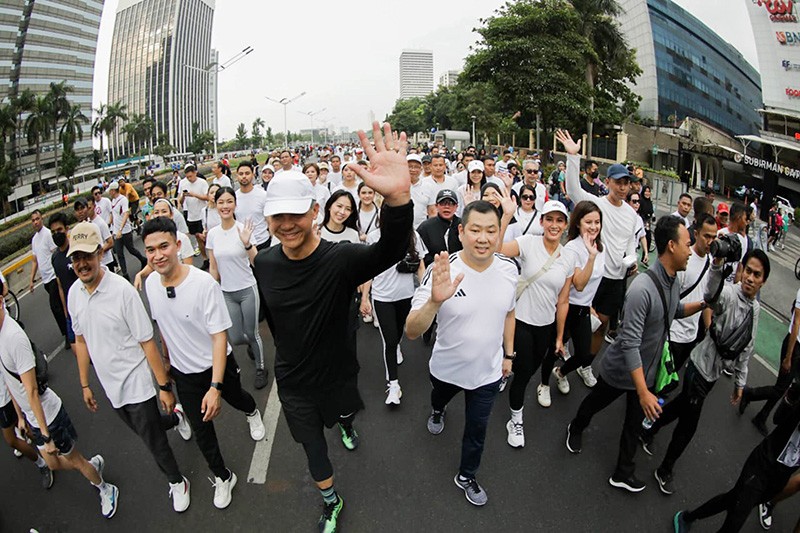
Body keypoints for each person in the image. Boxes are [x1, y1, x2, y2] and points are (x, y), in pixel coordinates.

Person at [253, 122, 412, 531]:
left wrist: (398, 198)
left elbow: (391, 248)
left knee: (344, 415)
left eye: (295, 214)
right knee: (311, 447)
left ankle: (345, 422)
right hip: (293, 382)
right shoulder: (265, 264)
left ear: (314, 212)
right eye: (276, 216)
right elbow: (271, 315)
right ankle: (331, 500)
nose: (286, 224)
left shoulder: (340, 258)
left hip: (338, 372)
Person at [566, 216, 704, 493]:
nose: (691, 250)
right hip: (622, 370)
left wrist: (704, 304)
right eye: (688, 244)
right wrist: (643, 392)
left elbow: (674, 311)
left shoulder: (674, 281)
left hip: (646, 371)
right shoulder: (642, 289)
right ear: (671, 246)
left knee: (632, 424)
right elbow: (628, 344)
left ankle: (622, 472)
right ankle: (575, 427)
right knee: (594, 403)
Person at [66, 222, 192, 513]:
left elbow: (147, 341)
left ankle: (177, 481)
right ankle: (176, 418)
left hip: (136, 381)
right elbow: (81, 340)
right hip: (110, 385)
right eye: (76, 258)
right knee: (144, 428)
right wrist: (85, 383)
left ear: (100, 253)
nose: (82, 264)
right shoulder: (74, 293)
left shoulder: (121, 291)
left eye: (87, 255)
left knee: (152, 440)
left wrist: (163, 387)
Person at [142, 217, 265, 510]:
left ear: (178, 245)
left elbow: (219, 337)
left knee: (237, 399)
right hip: (184, 376)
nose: (157, 255)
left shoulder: (203, 284)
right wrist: (168, 363)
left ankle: (253, 412)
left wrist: (215, 386)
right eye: (150, 250)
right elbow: (163, 327)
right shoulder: (150, 284)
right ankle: (223, 476)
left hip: (216, 367)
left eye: (163, 246)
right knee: (201, 430)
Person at [406, 200, 517, 506]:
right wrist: (434, 302)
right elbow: (412, 331)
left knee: (477, 430)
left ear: (499, 234)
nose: (483, 238)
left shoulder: (509, 270)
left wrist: (509, 355)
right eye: (476, 230)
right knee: (439, 398)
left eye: (491, 231)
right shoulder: (442, 272)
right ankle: (438, 409)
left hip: (488, 374)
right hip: (447, 369)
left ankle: (467, 475)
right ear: (462, 231)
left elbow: (509, 313)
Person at [641, 249, 765, 495]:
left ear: (763, 280)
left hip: (713, 374)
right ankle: (665, 469)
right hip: (698, 367)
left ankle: (648, 429)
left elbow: (747, 346)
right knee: (689, 424)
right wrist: (718, 266)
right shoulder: (729, 293)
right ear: (741, 271)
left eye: (757, 274)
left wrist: (740, 383)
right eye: (748, 271)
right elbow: (711, 296)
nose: (750, 278)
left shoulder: (756, 309)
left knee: (680, 406)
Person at [0, 301, 119, 518]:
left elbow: (32, 390)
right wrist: (20, 416)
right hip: (33, 417)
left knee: (75, 460)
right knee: (52, 464)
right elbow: (10, 380)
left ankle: (105, 488)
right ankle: (92, 465)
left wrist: (46, 436)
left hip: (49, 417)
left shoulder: (13, 338)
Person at [673, 375, 800, 533]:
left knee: (733, 499)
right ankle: (687, 517)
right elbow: (778, 418)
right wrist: (792, 397)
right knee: (735, 522)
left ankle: (687, 517)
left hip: (780, 477)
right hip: (763, 465)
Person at [496, 200, 571, 446]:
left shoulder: (567, 258)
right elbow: (496, 249)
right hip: (520, 321)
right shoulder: (528, 242)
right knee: (525, 374)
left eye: (559, 220)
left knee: (527, 368)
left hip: (546, 327)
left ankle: (506, 366)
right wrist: (506, 215)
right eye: (549, 219)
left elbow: (563, 301)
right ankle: (515, 420)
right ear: (541, 222)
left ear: (565, 226)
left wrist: (559, 337)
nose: (554, 224)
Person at [558, 130, 640, 356]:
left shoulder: (632, 214)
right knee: (577, 319)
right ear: (607, 182)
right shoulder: (596, 204)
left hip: (616, 278)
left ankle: (585, 363)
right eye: (619, 183)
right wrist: (573, 157)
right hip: (592, 274)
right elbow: (574, 190)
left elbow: (630, 242)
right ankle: (563, 347)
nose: (623, 187)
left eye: (627, 183)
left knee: (600, 324)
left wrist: (631, 260)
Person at [361, 205, 427, 405]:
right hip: (382, 297)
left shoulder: (413, 235)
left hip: (406, 296)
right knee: (389, 341)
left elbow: (421, 264)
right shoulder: (374, 237)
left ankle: (397, 345)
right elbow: (368, 270)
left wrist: (424, 291)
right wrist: (365, 298)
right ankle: (394, 385)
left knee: (400, 332)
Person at [206, 187, 267, 390]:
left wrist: (248, 244)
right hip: (227, 293)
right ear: (216, 205)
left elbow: (257, 262)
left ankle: (261, 368)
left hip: (247, 289)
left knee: (252, 333)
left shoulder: (244, 229)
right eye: (221, 202)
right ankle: (251, 345)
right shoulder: (213, 234)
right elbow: (213, 268)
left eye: (229, 201)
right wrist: (211, 292)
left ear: (235, 204)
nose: (225, 206)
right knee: (235, 336)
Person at [549, 201, 606, 392]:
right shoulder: (573, 248)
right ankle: (542, 384)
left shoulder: (600, 247)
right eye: (588, 222)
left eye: (597, 222)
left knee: (582, 354)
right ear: (578, 224)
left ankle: (560, 373)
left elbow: (595, 282)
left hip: (583, 308)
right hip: (566, 306)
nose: (593, 227)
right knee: (552, 350)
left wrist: (590, 305)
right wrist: (591, 257)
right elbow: (579, 284)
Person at [741, 284, 800, 435]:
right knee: (780, 388)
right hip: (794, 347)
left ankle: (762, 416)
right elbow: (796, 323)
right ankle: (750, 393)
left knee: (782, 386)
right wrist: (788, 357)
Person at [665, 213, 716, 373]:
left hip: (691, 336)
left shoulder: (712, 263)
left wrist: (708, 328)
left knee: (669, 379)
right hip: (672, 334)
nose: (710, 241)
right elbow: (670, 298)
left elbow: (708, 300)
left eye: (714, 237)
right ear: (696, 234)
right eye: (706, 236)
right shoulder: (684, 259)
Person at [28, 210, 68, 346]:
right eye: (33, 220)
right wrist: (31, 280)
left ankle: (68, 333)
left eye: (37, 219)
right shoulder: (34, 240)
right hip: (45, 279)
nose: (35, 222)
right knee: (59, 305)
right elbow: (35, 260)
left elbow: (56, 251)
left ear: (42, 219)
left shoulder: (48, 234)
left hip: (53, 277)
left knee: (55, 306)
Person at [48, 213, 79, 352]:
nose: (56, 234)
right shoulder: (55, 258)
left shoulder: (76, 251)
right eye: (53, 232)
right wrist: (66, 311)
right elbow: (60, 286)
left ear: (66, 229)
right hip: (71, 312)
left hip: (85, 307)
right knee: (76, 347)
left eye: (59, 230)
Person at [108, 181, 148, 280]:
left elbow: (126, 214)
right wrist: (109, 225)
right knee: (119, 253)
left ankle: (143, 260)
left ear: (113, 191)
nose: (109, 193)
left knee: (131, 250)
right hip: (116, 232)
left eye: (110, 191)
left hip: (125, 231)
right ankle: (125, 275)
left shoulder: (123, 200)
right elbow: (113, 215)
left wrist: (121, 229)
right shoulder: (112, 201)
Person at [178, 163, 209, 260]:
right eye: (187, 177)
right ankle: (205, 258)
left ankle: (212, 256)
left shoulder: (202, 182)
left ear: (195, 173)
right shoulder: (183, 183)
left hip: (202, 215)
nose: (189, 179)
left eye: (190, 176)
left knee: (206, 237)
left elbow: (207, 197)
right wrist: (183, 196)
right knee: (198, 238)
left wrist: (194, 195)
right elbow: (180, 201)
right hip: (192, 216)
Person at [407, 154, 431, 229]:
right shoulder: (397, 185)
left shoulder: (428, 186)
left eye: (416, 167)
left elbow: (432, 211)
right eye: (410, 166)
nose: (413, 170)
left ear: (421, 169)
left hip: (421, 228)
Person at [626, 192, 649, 266]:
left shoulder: (639, 219)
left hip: (633, 252)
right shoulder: (623, 217)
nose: (637, 204)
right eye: (634, 201)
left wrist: (646, 252)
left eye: (639, 201)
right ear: (628, 202)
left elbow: (642, 236)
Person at [640, 185, 655, 252]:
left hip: (647, 223)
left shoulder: (649, 202)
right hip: (641, 222)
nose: (647, 193)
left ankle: (645, 255)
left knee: (648, 238)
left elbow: (651, 211)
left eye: (649, 191)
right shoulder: (640, 200)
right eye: (646, 191)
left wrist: (653, 216)